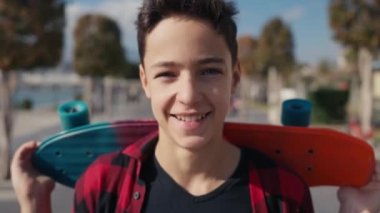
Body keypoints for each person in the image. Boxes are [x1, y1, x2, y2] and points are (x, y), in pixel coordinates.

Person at [10, 0, 380, 212]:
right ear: (144, 82)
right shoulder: (104, 184)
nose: (189, 95)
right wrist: (35, 205)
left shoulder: (282, 192)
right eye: (167, 74)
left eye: (209, 71)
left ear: (235, 78)